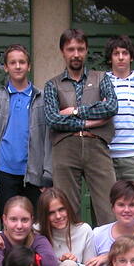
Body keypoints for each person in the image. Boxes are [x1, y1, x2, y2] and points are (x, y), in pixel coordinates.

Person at [43, 28, 118, 226]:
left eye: (80, 49)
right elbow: (53, 119)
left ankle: (108, 246)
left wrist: (75, 111)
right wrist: (88, 122)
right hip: (65, 148)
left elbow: (111, 107)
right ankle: (72, 247)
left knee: (108, 208)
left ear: (86, 50)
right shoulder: (52, 85)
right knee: (66, 210)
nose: (76, 54)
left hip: (97, 146)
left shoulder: (102, 78)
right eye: (71, 49)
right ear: (63, 51)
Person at [0, 44, 51, 213]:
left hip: (34, 173)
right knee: (9, 222)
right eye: (12, 62)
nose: (17, 66)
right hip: (5, 172)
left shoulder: (42, 98)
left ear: (29, 66)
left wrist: (48, 174)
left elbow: (49, 138)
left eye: (22, 62)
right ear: (5, 67)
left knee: (36, 223)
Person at [105, 35, 134, 221]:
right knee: (108, 208)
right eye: (116, 53)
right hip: (106, 157)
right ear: (110, 57)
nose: (120, 57)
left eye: (124, 53)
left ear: (131, 56)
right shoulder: (102, 82)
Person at [36, 187, 95, 266]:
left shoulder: (84, 230)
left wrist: (75, 264)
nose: (58, 216)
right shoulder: (36, 230)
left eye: (61, 209)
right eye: (51, 213)